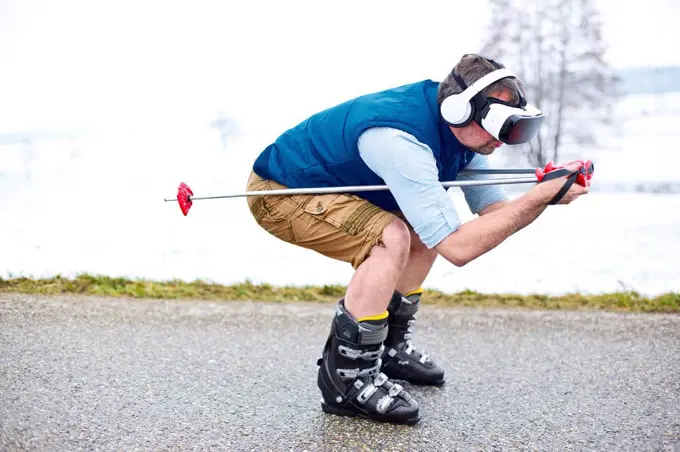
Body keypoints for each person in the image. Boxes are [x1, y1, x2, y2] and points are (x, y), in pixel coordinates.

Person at [245, 53, 589, 425]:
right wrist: (538, 197)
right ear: (460, 110)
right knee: (390, 238)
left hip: (323, 190)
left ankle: (387, 349)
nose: (503, 142)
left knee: (422, 233)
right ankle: (347, 379)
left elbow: (495, 214)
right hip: (279, 194)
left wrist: (545, 193)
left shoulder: (464, 136)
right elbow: (459, 248)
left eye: (514, 128)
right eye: (501, 128)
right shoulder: (400, 142)